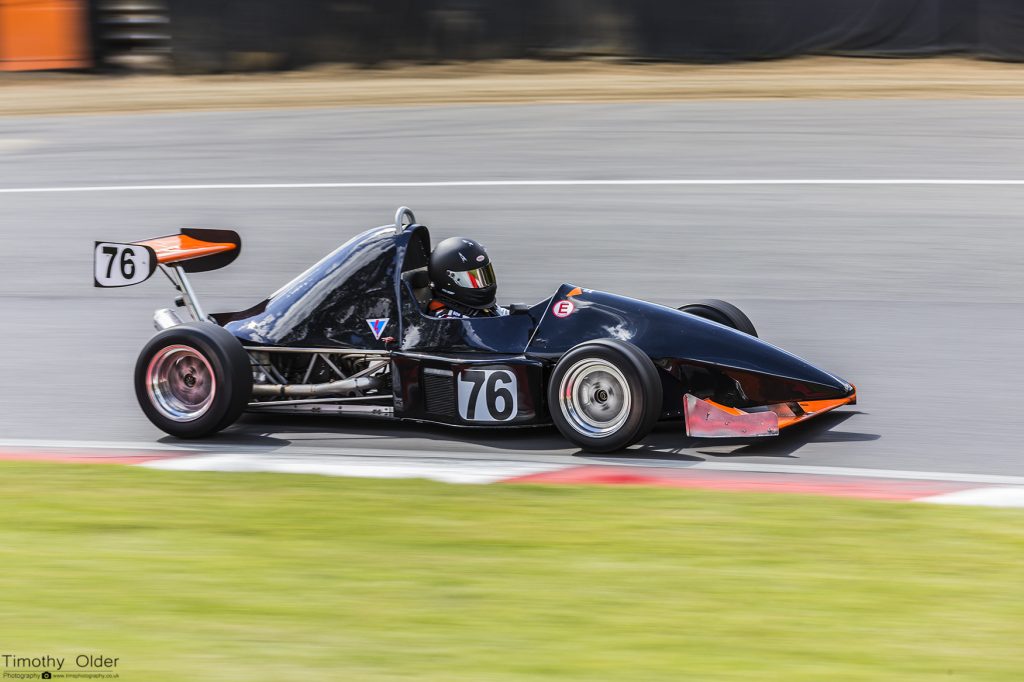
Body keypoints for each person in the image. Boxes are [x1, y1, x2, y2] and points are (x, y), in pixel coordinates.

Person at [427, 237, 509, 318]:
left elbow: (507, 317)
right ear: (448, 281)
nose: (484, 285)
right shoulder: (446, 320)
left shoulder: (486, 308)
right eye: (473, 280)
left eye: (485, 276)